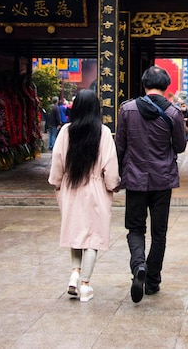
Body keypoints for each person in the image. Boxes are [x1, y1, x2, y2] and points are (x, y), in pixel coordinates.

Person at [115, 65, 187, 303]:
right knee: (159, 233)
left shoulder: (127, 110)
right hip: (162, 179)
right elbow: (180, 146)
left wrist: (117, 174)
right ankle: (153, 280)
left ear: (144, 84)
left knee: (135, 229)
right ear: (166, 87)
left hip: (135, 179)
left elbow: (120, 147)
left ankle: (138, 266)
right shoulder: (174, 113)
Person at [48, 90, 120, 302]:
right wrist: (112, 185)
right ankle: (86, 285)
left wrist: (57, 183)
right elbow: (110, 164)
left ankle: (75, 273)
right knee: (93, 237)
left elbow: (58, 160)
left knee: (75, 232)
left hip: (71, 187)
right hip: (96, 189)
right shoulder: (104, 132)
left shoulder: (65, 131)